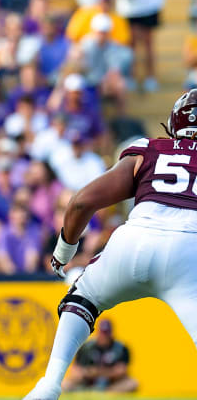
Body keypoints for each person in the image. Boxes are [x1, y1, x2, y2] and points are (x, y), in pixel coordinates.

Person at [24, 89, 197, 400]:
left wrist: (64, 252)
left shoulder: (147, 148)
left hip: (134, 240)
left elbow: (81, 202)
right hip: (190, 252)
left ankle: (49, 385)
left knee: (83, 299)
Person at [64, 319, 137, 393]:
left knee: (132, 383)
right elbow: (75, 369)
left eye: (106, 333)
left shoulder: (120, 348)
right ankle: (87, 391)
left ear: (111, 334)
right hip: (88, 383)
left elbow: (121, 371)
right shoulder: (87, 347)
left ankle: (105, 393)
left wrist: (97, 372)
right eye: (102, 333)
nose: (104, 336)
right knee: (65, 384)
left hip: (111, 385)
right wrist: (88, 372)